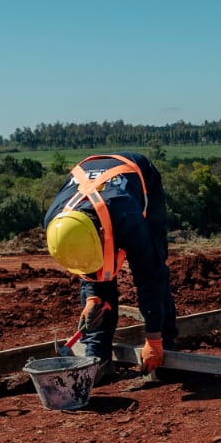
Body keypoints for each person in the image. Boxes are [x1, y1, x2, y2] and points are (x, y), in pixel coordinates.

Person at [44, 151, 178, 378]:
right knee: (100, 289)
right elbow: (86, 265)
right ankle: (98, 358)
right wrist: (92, 296)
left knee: (154, 265)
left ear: (100, 234)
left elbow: (149, 277)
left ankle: (165, 348)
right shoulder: (56, 223)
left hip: (138, 176)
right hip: (95, 198)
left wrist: (153, 338)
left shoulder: (127, 217)